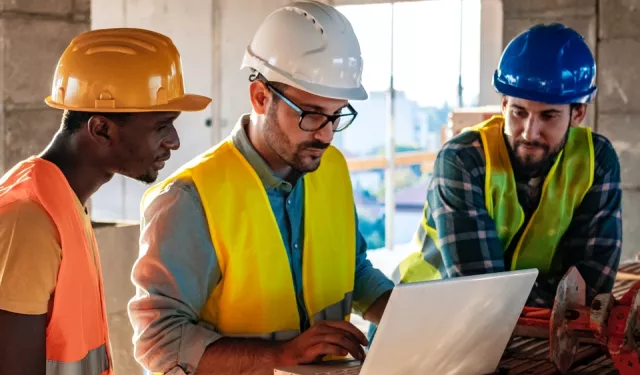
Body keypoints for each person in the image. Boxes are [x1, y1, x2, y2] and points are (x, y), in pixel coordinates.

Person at [127, 1, 394, 374]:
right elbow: (159, 340)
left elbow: (352, 270)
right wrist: (278, 356)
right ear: (260, 97)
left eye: (337, 115)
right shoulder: (190, 198)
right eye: (311, 114)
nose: (326, 134)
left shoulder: (332, 168)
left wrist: (409, 313)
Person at [0, 28, 211, 375]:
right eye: (162, 126)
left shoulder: (64, 203)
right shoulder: (30, 221)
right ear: (101, 129)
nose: (173, 142)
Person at [394, 23, 622, 307]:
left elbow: (590, 286)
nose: (529, 132)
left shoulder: (596, 160)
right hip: (420, 317)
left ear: (578, 113)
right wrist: (560, 301)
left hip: (520, 327)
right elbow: (481, 291)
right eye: (519, 112)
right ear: (503, 105)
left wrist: (566, 303)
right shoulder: (463, 160)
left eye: (548, 116)